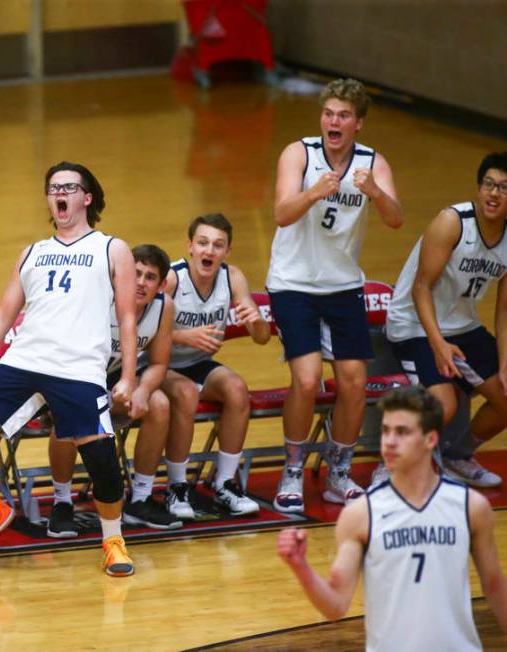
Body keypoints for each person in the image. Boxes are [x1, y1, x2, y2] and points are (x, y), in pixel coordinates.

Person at [0, 161, 139, 577]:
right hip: (25, 359)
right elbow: (4, 312)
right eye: (54, 188)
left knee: (102, 461)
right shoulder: (33, 252)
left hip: (77, 367)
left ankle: (113, 540)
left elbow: (127, 316)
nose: (60, 193)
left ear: (86, 198)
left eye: (70, 187)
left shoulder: (111, 248)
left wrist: (128, 376)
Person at [277, 386, 507, 651]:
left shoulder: (470, 507)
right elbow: (336, 605)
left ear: (430, 439)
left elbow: (494, 585)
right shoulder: (360, 515)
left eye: (402, 432)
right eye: (386, 431)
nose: (389, 441)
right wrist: (300, 566)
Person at [266, 78, 404, 513]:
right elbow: (281, 214)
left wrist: (376, 193)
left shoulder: (372, 163)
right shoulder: (299, 153)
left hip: (343, 284)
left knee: (354, 382)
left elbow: (397, 219)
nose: (333, 121)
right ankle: (292, 467)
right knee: (306, 380)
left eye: (343, 115)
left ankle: (338, 472)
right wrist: (314, 192)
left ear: (358, 123)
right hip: (293, 283)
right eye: (328, 113)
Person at [385, 152, 507, 488]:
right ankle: (394, 467)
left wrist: (504, 360)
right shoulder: (453, 222)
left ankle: (457, 457)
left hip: (463, 326)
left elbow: (504, 309)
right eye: (489, 184)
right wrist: (438, 344)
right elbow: (421, 287)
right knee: (443, 403)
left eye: (504, 188)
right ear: (479, 188)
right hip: (413, 324)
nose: (494, 193)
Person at [45, 244, 182, 537]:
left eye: (150, 277)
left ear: (161, 285)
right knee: (70, 413)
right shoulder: (97, 297)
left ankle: (141, 498)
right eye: (136, 274)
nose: (141, 282)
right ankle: (61, 503)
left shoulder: (164, 307)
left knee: (158, 403)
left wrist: (143, 389)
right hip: (67, 372)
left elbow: (158, 363)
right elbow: (64, 350)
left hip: (113, 378)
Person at [161, 213, 269, 518]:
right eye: (203, 243)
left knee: (237, 388)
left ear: (227, 251)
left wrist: (256, 320)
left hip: (197, 363)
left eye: (218, 245)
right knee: (184, 393)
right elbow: (142, 334)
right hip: (159, 363)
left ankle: (224, 484)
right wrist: (184, 336)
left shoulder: (232, 277)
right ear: (191, 246)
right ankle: (176, 487)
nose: (209, 251)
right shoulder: (172, 278)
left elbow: (261, 338)